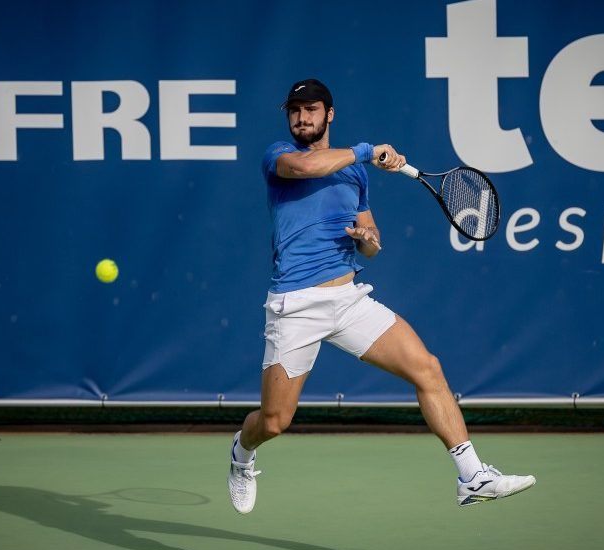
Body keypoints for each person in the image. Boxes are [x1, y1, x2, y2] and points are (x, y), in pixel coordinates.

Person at [227, 78, 535, 513]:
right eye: (295, 111)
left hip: (348, 299)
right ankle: (242, 453)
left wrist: (366, 237)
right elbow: (308, 169)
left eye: (311, 109)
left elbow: (371, 241)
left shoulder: (354, 173)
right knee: (275, 422)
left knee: (427, 368)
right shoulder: (280, 157)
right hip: (295, 306)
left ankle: (472, 476)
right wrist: (368, 150)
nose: (302, 118)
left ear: (328, 114)